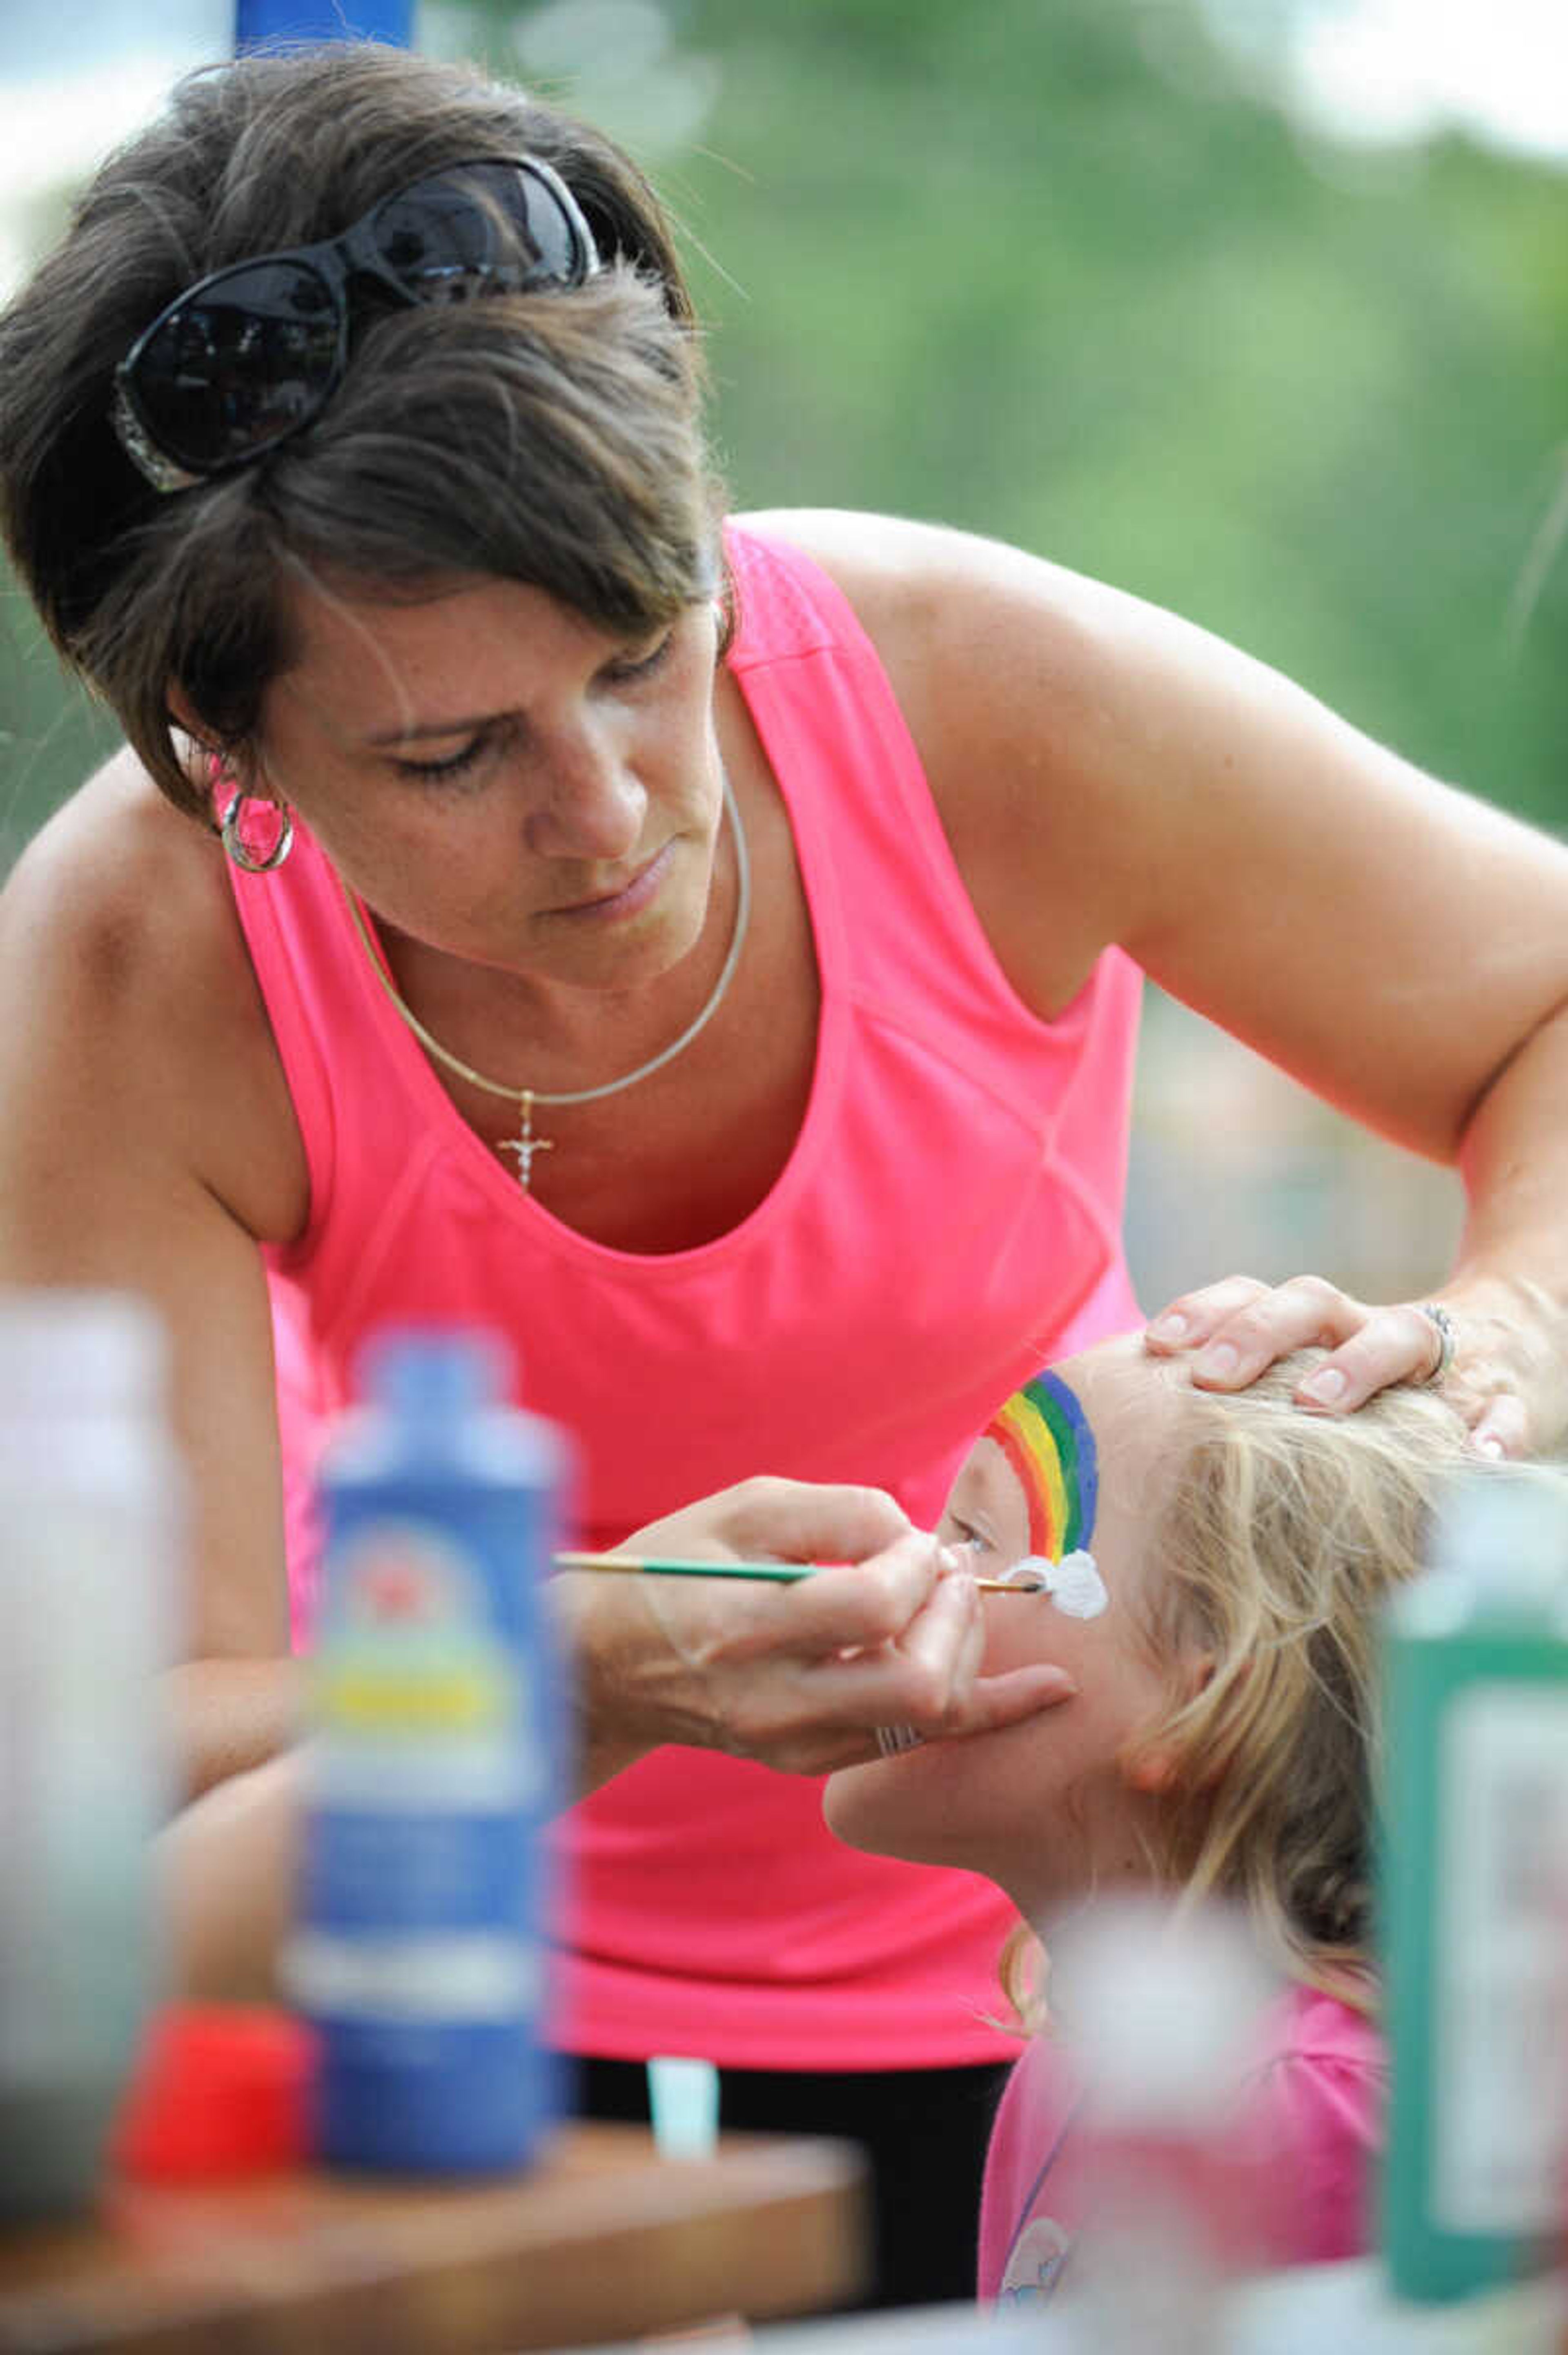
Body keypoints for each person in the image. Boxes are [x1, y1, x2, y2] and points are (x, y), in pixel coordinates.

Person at [1, 39, 1567, 2306]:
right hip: (443, 2026)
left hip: (1071, 1983)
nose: (616, 809)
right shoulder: (134, 966)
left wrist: (1507, 1329)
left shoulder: (986, 698)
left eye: (648, 651)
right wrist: (577, 1668)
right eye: (450, 751)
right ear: (219, 748)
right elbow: (123, 1788)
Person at [824, 1334, 1565, 2299]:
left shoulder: (1299, 2106)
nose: (904, 1572)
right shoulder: (1105, 2049)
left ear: (1201, 1706)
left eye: (978, 1540)